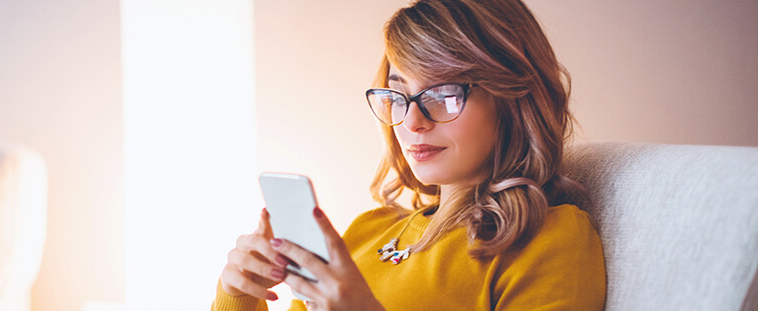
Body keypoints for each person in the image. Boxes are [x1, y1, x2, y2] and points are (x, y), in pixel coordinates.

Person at [213, 0, 606, 309]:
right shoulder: (366, 232)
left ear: (513, 98)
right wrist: (238, 292)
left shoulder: (548, 238)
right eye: (398, 94)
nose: (412, 121)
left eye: (444, 93)